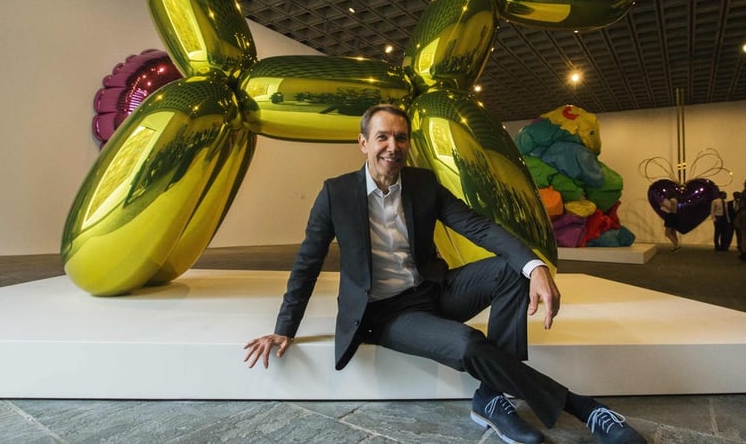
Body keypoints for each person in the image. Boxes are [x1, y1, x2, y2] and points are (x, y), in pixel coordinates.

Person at [243, 105, 647, 444]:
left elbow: (479, 226)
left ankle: (489, 398)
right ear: (363, 143)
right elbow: (307, 262)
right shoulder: (335, 194)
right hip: (387, 313)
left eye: (401, 138)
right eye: (383, 137)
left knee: (513, 271)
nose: (393, 147)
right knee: (469, 344)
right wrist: (285, 327)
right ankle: (584, 409)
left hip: (432, 289)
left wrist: (536, 265)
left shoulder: (422, 183)